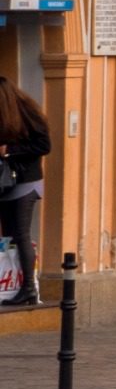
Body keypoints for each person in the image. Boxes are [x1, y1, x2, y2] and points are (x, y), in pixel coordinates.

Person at [0, 74, 47, 308]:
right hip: (5, 183)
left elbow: (43, 146)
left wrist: (10, 150)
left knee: (21, 234)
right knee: (8, 237)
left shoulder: (29, 114)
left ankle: (28, 288)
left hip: (26, 182)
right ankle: (13, 285)